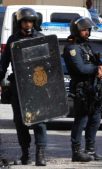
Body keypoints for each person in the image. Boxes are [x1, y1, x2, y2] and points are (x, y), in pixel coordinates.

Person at [0, 7, 47, 166]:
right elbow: (3, 64)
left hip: (37, 86)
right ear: (20, 22)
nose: (28, 24)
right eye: (25, 21)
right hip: (18, 87)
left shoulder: (41, 38)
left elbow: (49, 64)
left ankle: (40, 154)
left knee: (39, 121)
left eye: (31, 21)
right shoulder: (13, 40)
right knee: (20, 123)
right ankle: (25, 153)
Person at [63, 16, 102, 162]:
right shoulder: (72, 48)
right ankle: (76, 152)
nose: (87, 32)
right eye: (84, 30)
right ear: (76, 30)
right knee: (81, 120)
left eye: (88, 29)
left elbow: (97, 62)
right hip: (81, 89)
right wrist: (96, 69)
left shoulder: (86, 46)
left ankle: (90, 150)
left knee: (95, 119)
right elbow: (81, 68)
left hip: (93, 89)